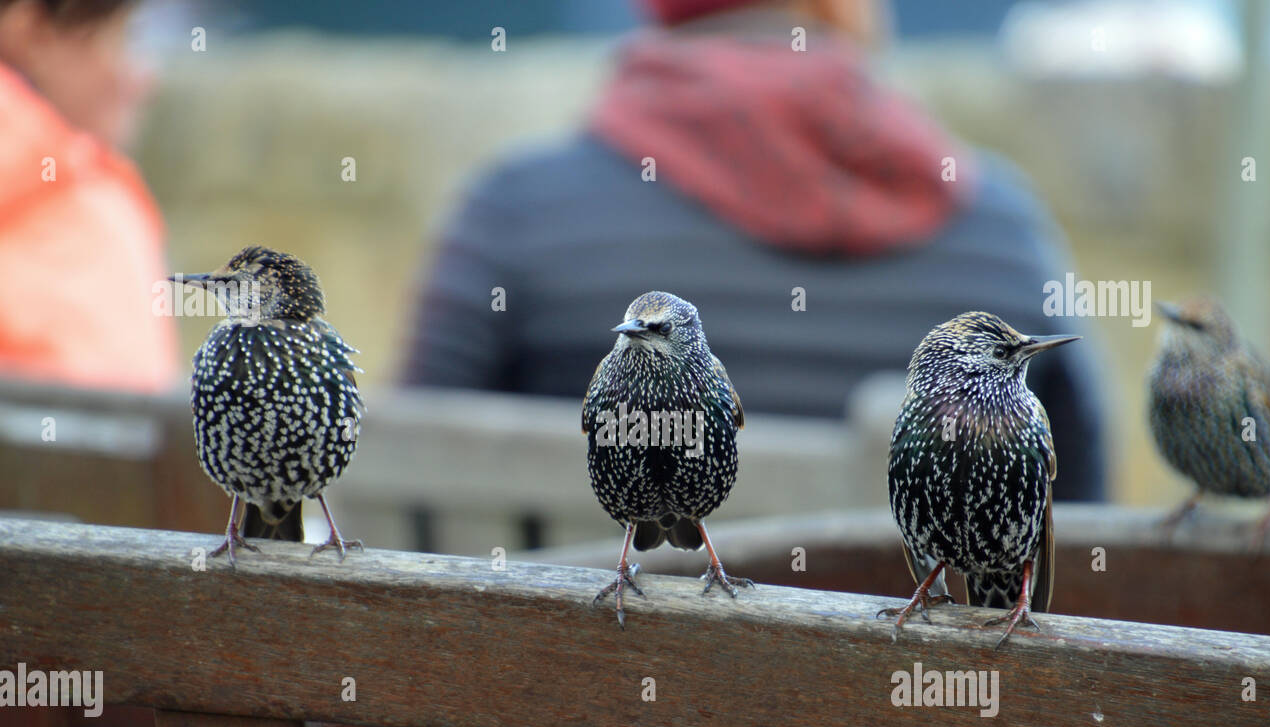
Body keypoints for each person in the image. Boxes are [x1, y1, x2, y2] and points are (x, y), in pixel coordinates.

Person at [402, 0, 1108, 501]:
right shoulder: (1004, 230)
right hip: (890, 701)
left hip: (570, 702)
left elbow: (405, 471)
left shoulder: (514, 211)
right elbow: (1076, 539)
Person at [0, 0, 179, 392]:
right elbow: (120, 436)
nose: (144, 78)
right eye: (124, 37)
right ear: (31, 32)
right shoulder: (81, 210)